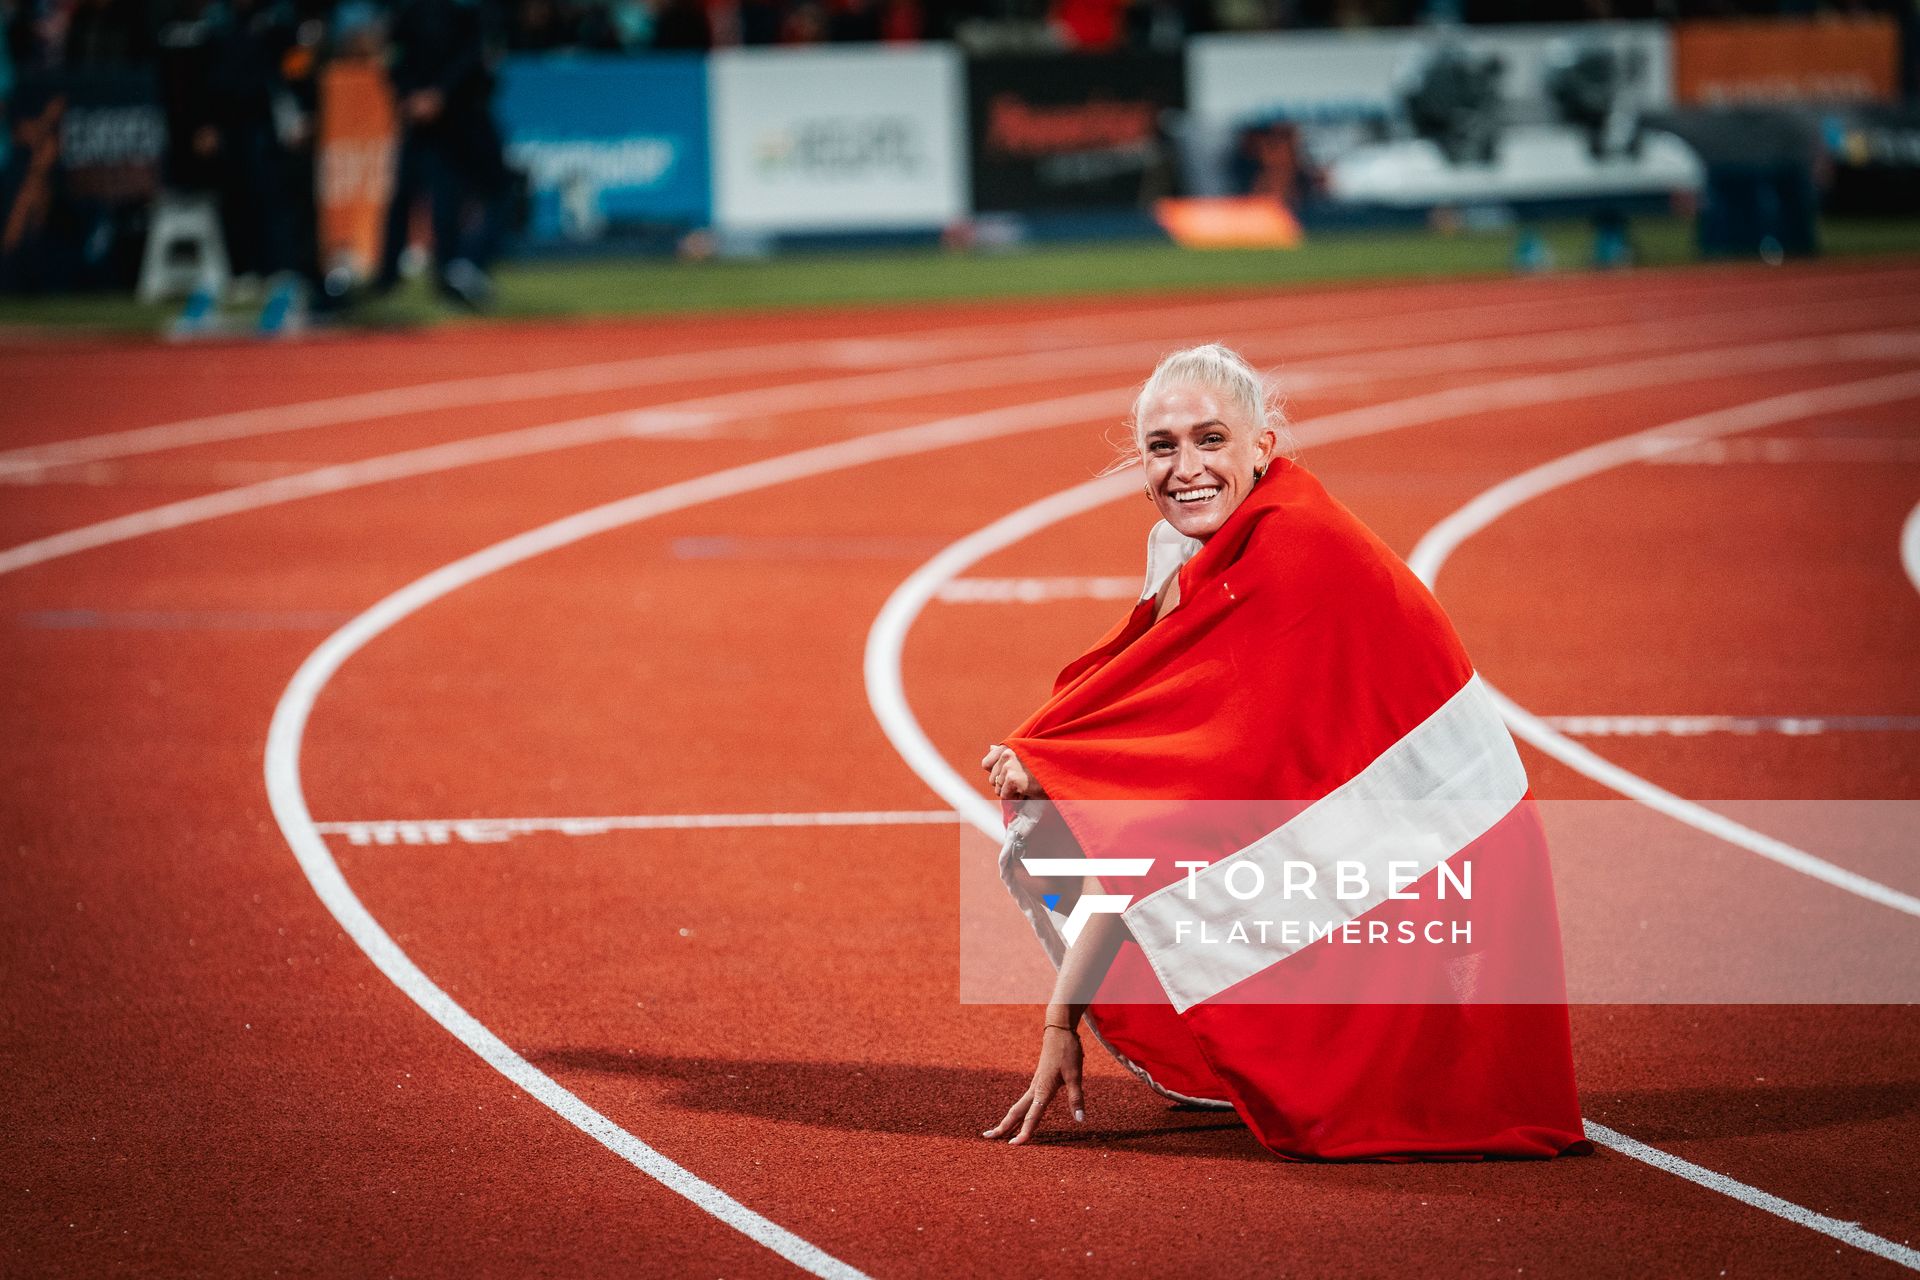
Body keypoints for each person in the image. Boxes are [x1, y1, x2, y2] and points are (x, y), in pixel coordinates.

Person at [978, 343, 1585, 1160]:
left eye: (1210, 440)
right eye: (1162, 447)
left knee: (1377, 1096)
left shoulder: (1297, 550)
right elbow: (1160, 827)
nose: (1185, 468)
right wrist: (1061, 1013)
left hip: (1437, 857)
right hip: (1356, 837)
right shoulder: (1199, 558)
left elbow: (1175, 806)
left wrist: (1065, 770)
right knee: (1102, 818)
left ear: (1262, 448)